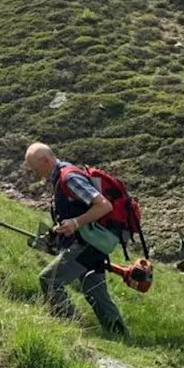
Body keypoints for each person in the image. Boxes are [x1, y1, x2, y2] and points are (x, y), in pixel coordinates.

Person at [23, 143, 127, 335]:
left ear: (46, 161)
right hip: (91, 241)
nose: (36, 173)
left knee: (49, 280)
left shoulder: (69, 178)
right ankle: (119, 334)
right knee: (93, 288)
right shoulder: (62, 177)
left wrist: (75, 223)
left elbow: (104, 206)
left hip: (91, 242)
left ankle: (73, 330)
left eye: (36, 168)